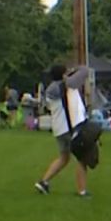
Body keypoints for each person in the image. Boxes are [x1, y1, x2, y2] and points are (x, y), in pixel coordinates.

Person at [34, 65, 91, 197]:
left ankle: (44, 182)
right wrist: (73, 69)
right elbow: (85, 71)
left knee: (64, 158)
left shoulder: (51, 88)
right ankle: (82, 191)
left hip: (58, 129)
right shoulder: (66, 85)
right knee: (82, 158)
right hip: (69, 128)